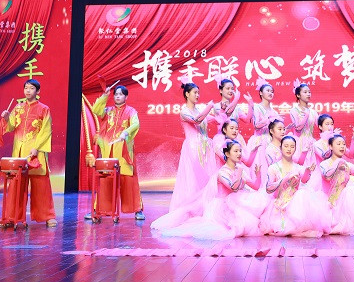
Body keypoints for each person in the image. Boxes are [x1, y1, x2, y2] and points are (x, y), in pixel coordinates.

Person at [154, 140, 267, 240]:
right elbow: (233, 187)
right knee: (239, 224)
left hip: (235, 201)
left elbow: (255, 186)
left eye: (240, 151)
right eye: (236, 151)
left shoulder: (239, 169)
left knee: (260, 201)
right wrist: (239, 173)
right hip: (222, 206)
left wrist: (258, 175)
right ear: (227, 154)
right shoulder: (222, 172)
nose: (239, 154)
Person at [0, 79, 57, 227]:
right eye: (26, 88)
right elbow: (11, 127)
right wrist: (6, 118)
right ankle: (12, 216)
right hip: (20, 151)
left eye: (31, 88)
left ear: (38, 91)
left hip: (36, 151)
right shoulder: (18, 108)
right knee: (16, 184)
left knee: (41, 184)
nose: (28, 91)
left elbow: (46, 130)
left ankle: (47, 216)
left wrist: (37, 147)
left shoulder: (44, 109)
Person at [87, 84, 144, 221]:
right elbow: (96, 110)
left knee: (128, 180)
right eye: (116, 94)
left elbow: (135, 124)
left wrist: (126, 132)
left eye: (121, 94)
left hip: (123, 151)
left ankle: (137, 210)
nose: (118, 96)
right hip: (108, 151)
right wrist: (104, 96)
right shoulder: (108, 111)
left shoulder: (131, 111)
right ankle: (98, 210)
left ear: (126, 97)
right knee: (106, 181)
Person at [261, 135, 330, 237]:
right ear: (281, 148)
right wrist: (285, 179)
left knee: (303, 193)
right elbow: (269, 188)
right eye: (286, 146)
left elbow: (305, 180)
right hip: (280, 203)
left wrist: (308, 171)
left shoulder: (298, 168)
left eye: (292, 146)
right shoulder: (273, 168)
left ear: (295, 149)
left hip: (295, 205)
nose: (289, 149)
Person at [168, 82, 216, 212]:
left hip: (205, 148)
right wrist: (209, 107)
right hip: (193, 148)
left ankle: (206, 206)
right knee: (194, 178)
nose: (197, 95)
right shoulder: (184, 111)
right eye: (195, 92)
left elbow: (212, 119)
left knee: (207, 176)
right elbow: (196, 120)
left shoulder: (199, 110)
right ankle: (192, 208)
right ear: (187, 94)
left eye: (198, 93)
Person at [305, 114, 354, 191]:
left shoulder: (336, 142)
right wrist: (329, 139)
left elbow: (350, 155)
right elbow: (325, 156)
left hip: (337, 175)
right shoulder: (317, 144)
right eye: (327, 124)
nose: (330, 127)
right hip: (323, 177)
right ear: (320, 127)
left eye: (332, 124)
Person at [288, 82, 318, 157]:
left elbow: (320, 125)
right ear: (298, 95)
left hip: (311, 142)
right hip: (299, 143)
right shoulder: (294, 110)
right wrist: (306, 116)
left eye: (309, 92)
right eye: (305, 92)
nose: (308, 94)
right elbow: (298, 128)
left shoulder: (313, 112)